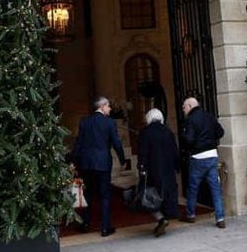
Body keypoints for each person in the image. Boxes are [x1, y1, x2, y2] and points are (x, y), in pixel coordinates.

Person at [72, 96, 130, 237]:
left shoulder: (84, 122)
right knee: (105, 195)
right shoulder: (109, 123)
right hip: (103, 163)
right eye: (108, 106)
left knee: (87, 194)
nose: (110, 108)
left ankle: (85, 224)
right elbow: (116, 143)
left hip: (86, 164)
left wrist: (73, 161)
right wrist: (123, 160)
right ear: (102, 106)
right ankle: (105, 227)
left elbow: (78, 143)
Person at [179, 97, 226, 229]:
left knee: (193, 188)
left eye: (184, 107)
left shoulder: (190, 120)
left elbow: (188, 139)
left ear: (189, 106)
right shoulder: (209, 116)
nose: (183, 110)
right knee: (215, 188)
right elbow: (220, 132)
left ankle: (190, 215)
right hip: (212, 155)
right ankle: (220, 218)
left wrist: (187, 144)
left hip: (198, 157)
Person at [137, 108, 180, 237]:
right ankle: (165, 217)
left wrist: (141, 167)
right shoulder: (168, 132)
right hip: (168, 170)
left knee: (150, 196)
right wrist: (177, 166)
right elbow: (174, 151)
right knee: (165, 194)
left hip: (153, 170)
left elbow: (143, 152)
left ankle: (160, 218)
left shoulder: (146, 132)